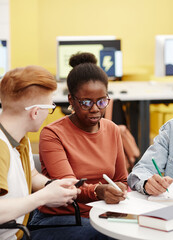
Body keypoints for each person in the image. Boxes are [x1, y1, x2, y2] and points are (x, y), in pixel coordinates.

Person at [28, 52, 128, 239]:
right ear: (71, 101)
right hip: (58, 220)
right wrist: (99, 191)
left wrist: (120, 189)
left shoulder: (112, 129)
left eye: (101, 101)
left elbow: (122, 179)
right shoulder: (53, 133)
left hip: (101, 214)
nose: (96, 109)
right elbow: (68, 188)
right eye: (86, 103)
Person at [0, 66, 79, 240]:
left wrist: (52, 186)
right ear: (35, 112)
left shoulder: (20, 137)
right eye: (50, 107)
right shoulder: (1, 147)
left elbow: (32, 174)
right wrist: (43, 197)